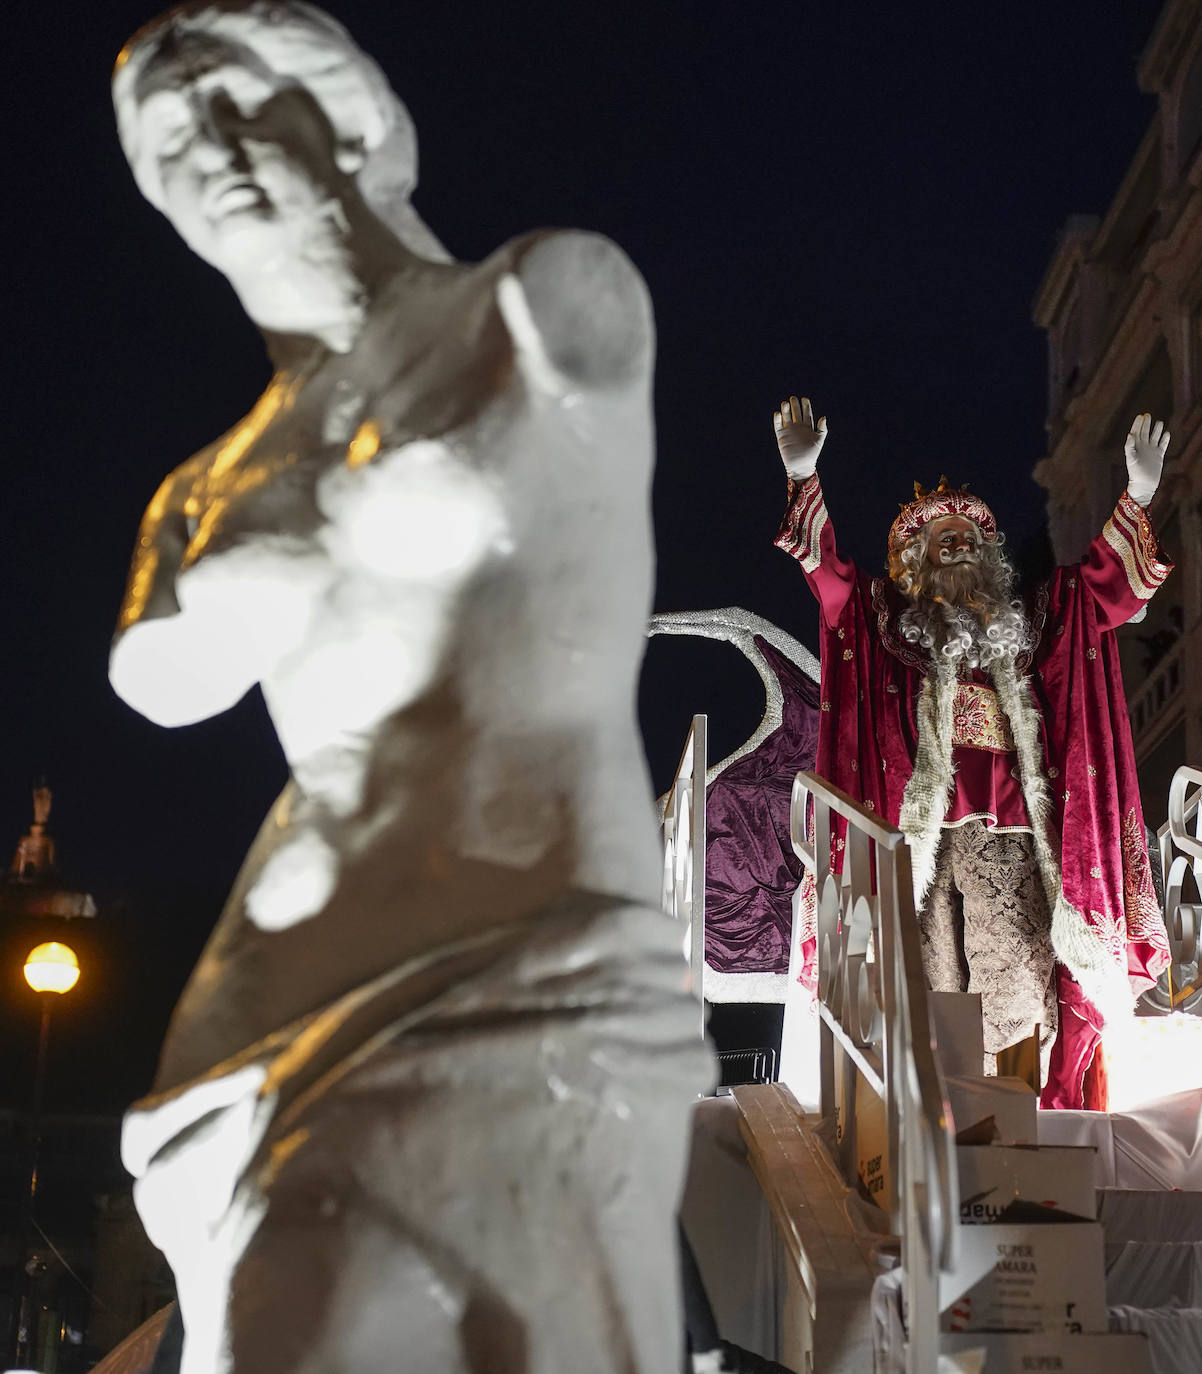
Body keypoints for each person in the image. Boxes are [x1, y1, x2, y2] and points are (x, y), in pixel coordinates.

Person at [107, 5, 708, 1370]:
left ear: (348, 115)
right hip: (275, 1005)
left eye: (227, 102)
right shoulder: (202, 493)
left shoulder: (543, 303)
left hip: (532, 948)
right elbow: (158, 680)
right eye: (162, 148)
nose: (203, 152)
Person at [772, 396, 1173, 1107]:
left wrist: (1138, 494)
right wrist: (805, 479)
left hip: (1012, 834)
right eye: (941, 541)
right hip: (911, 844)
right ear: (914, 564)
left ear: (989, 558)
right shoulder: (887, 625)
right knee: (924, 979)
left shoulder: (1034, 626)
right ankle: (931, 1123)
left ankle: (1012, 1122)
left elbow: (1100, 593)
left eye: (969, 539)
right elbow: (831, 586)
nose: (957, 547)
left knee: (1013, 976)